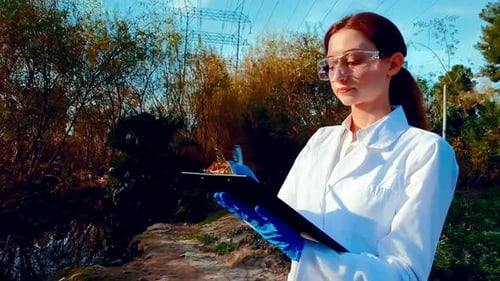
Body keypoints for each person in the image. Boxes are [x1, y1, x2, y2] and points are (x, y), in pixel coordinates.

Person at [215, 11, 458, 281]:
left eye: (353, 61)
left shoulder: (426, 152)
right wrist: (252, 197)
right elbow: (287, 222)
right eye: (331, 64)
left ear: (393, 64)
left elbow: (406, 273)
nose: (339, 75)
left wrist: (306, 252)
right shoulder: (321, 140)